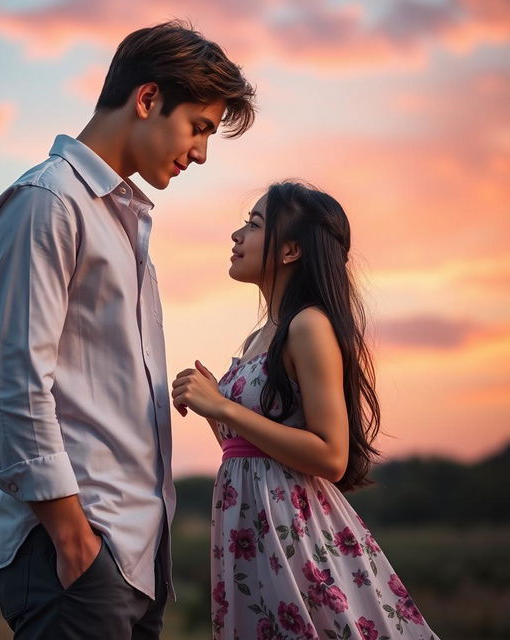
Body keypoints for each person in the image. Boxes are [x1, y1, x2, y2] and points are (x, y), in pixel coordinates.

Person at [0, 20, 255, 639]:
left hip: (130, 561)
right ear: (148, 99)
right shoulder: (49, 202)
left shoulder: (122, 223)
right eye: (200, 127)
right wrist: (75, 541)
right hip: (74, 556)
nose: (202, 152)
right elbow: (11, 386)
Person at [172, 181, 440, 639]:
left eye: (254, 225)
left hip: (292, 531)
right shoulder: (264, 335)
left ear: (291, 250)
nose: (237, 236)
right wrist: (215, 411)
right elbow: (257, 448)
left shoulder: (308, 325)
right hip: (253, 525)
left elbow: (330, 455)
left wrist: (224, 408)